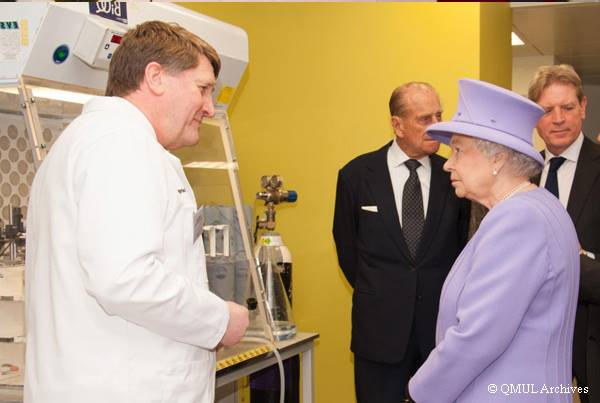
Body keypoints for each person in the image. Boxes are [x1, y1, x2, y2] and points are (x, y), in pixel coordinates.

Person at [24, 21, 249, 403]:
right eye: (203, 89)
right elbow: (123, 278)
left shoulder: (93, 141)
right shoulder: (122, 145)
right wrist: (220, 320)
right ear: (156, 77)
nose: (210, 108)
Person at [408, 79, 580, 402]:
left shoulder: (518, 220)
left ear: (498, 159)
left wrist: (418, 391)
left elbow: (476, 337)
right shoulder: (539, 205)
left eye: (458, 149)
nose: (448, 163)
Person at [332, 82, 470, 403]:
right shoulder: (356, 175)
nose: (436, 125)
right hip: (379, 333)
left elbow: (464, 247)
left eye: (439, 115)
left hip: (439, 333)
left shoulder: (455, 175)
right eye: (424, 118)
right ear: (397, 124)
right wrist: (385, 290)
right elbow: (348, 251)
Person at [528, 64, 600, 403]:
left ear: (583, 108)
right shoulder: (520, 175)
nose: (558, 119)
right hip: (532, 341)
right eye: (546, 110)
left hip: (592, 335)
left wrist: (578, 260)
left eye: (568, 108)